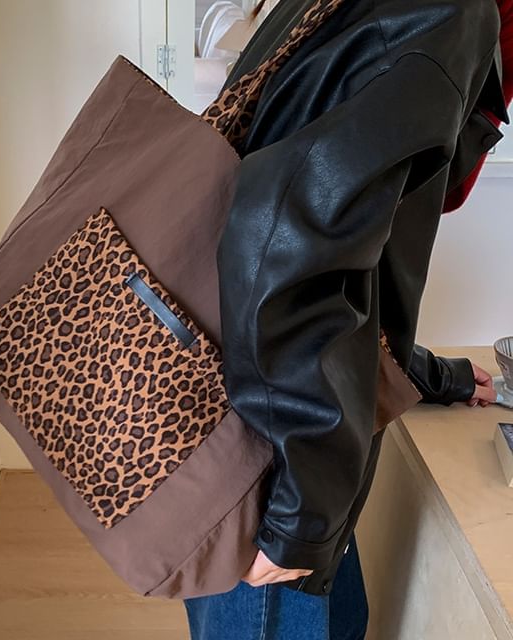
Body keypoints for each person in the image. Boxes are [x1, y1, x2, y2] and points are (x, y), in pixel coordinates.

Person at [183, 0, 512, 638]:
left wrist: (427, 375)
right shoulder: (453, 12)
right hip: (275, 467)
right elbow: (279, 235)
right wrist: (300, 519)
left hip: (247, 422)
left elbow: (337, 254)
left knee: (344, 618)